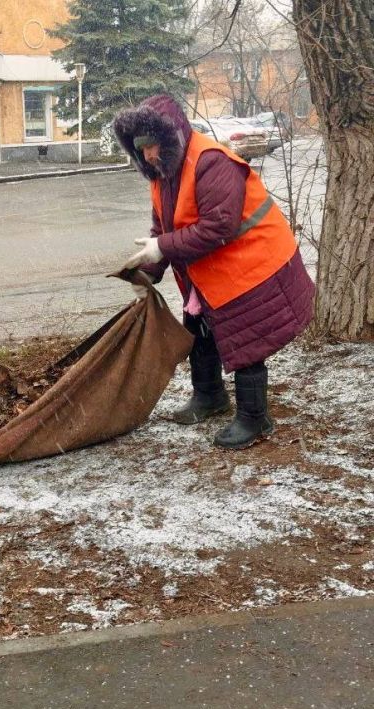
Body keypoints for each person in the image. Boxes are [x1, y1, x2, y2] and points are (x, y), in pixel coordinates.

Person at [112, 94, 315, 450]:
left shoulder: (211, 162)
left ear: (169, 136)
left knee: (247, 343)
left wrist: (162, 248)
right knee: (200, 331)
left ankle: (255, 419)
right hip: (214, 270)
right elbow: (165, 228)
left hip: (254, 266)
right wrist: (149, 271)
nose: (145, 154)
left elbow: (218, 227)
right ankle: (209, 397)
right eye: (138, 147)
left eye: (150, 144)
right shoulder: (164, 174)